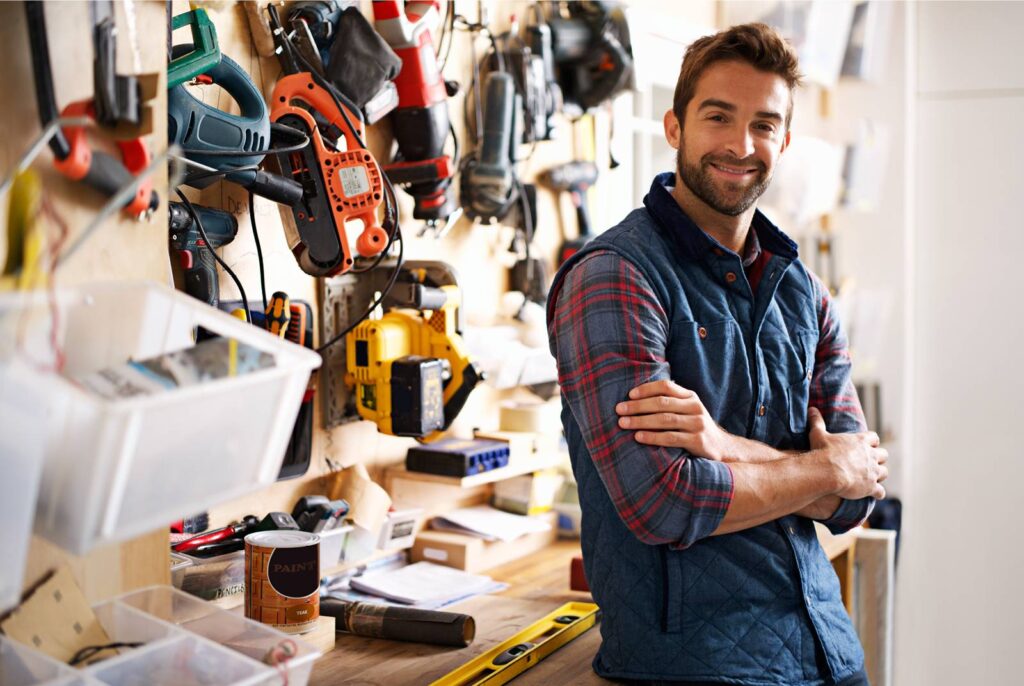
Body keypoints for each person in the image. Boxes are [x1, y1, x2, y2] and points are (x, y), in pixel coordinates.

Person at [546, 23, 888, 686]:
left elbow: (858, 496)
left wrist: (721, 446)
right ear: (675, 127)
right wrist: (825, 470)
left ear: (785, 140)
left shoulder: (803, 293)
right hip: (691, 667)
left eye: (764, 123)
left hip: (828, 653)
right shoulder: (616, 276)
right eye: (718, 117)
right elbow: (663, 502)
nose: (741, 144)